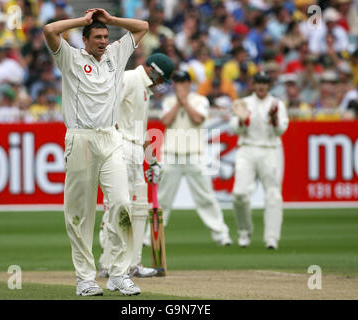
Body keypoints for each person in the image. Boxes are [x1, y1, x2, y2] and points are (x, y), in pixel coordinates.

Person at [43, 8, 148, 296]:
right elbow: (50, 30)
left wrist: (112, 21)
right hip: (80, 139)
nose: (103, 41)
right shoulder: (71, 57)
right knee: (80, 213)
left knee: (123, 205)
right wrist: (82, 20)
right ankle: (85, 279)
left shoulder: (116, 53)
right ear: (85, 39)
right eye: (98, 36)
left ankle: (118, 273)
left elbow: (142, 27)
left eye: (105, 36)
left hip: (110, 137)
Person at [98, 53, 175, 278]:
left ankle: (132, 263)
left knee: (139, 207)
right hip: (119, 145)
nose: (162, 85)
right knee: (117, 205)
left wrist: (152, 161)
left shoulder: (145, 89)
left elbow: (141, 134)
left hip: (133, 150)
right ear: (154, 71)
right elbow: (108, 109)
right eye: (162, 79)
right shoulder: (130, 78)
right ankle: (109, 262)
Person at [146, 70, 232, 246]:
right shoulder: (169, 101)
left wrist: (185, 101)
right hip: (171, 155)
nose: (180, 85)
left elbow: (198, 118)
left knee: (206, 197)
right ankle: (150, 237)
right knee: (162, 198)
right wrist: (179, 102)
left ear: (189, 84)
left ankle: (221, 235)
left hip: (194, 155)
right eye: (177, 82)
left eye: (184, 82)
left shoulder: (201, 101)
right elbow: (165, 121)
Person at [229, 71, 289, 250]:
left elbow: (281, 130)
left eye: (265, 82)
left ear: (269, 85)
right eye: (258, 82)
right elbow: (235, 129)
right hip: (247, 149)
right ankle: (244, 231)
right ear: (253, 84)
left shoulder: (277, 104)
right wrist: (242, 120)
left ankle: (272, 238)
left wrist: (274, 119)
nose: (261, 86)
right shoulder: (243, 103)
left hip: (269, 150)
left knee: (273, 195)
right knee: (239, 193)